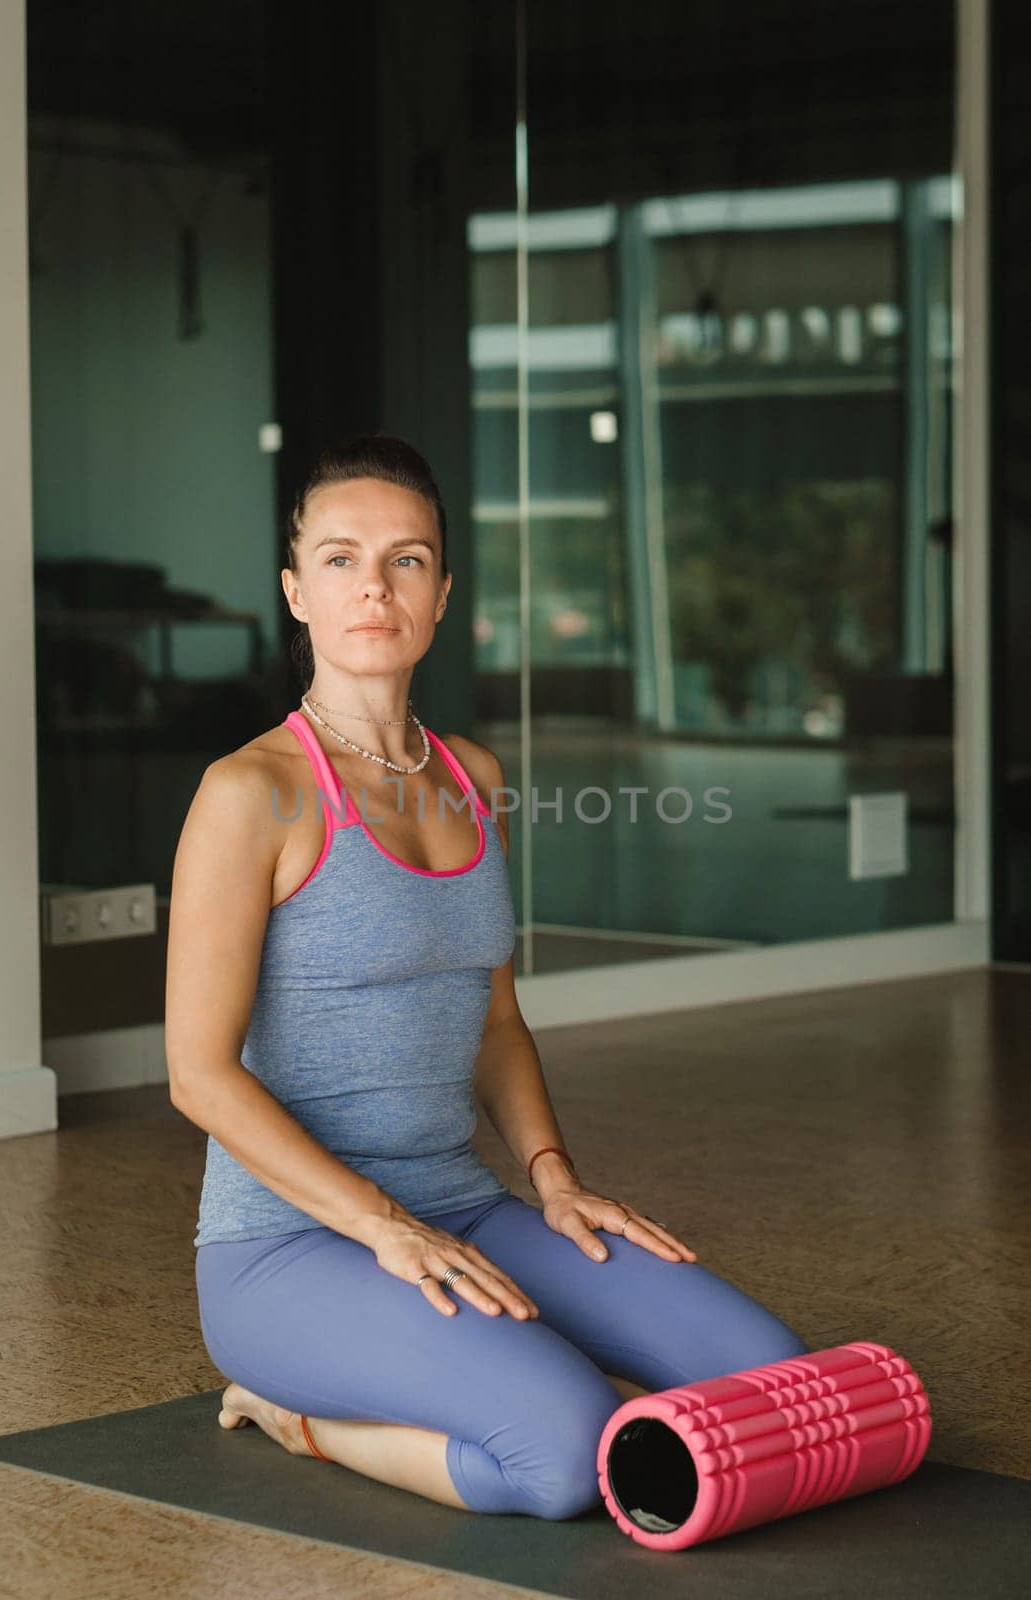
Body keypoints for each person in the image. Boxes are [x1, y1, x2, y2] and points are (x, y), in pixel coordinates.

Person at [165, 432, 810, 1521]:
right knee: (562, 1453)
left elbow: (495, 1016)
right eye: (339, 559)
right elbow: (197, 1074)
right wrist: (383, 1226)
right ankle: (297, 1414)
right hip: (287, 1246)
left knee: (764, 1375)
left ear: (442, 590)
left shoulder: (474, 774)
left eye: (405, 560)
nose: (372, 587)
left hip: (461, 1204)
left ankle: (484, 1345)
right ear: (295, 591)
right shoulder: (248, 791)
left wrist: (551, 1176)